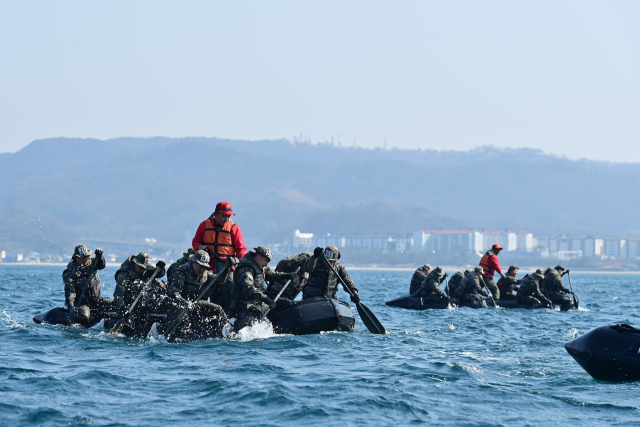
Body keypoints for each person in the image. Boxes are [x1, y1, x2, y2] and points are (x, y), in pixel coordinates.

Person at [191, 201, 247, 315]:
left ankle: (228, 318)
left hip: (227, 270)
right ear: (216, 213)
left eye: (229, 216)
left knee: (229, 296)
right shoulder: (204, 225)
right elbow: (195, 242)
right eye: (224, 216)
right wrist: (200, 246)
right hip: (208, 270)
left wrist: (246, 264)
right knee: (206, 296)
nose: (226, 218)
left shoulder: (234, 228)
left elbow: (241, 249)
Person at [166, 250, 227, 338]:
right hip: (180, 306)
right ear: (193, 262)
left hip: (196, 305)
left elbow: (220, 280)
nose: (202, 269)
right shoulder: (181, 272)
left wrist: (226, 268)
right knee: (182, 322)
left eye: (205, 267)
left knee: (218, 309)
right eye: (200, 266)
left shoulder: (206, 274)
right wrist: (186, 303)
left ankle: (223, 334)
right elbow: (174, 294)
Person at [230, 246, 293, 331]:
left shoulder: (260, 266)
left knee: (283, 303)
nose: (267, 263)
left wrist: (286, 276)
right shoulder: (245, 269)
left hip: (257, 304)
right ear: (258, 256)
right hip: (243, 306)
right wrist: (266, 299)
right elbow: (249, 289)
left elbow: (272, 275)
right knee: (263, 322)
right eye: (266, 260)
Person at [112, 252, 167, 336]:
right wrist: (122, 308)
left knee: (160, 285)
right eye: (141, 267)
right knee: (128, 325)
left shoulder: (146, 271)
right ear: (135, 263)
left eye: (145, 268)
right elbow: (118, 295)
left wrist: (161, 268)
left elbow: (159, 273)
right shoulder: (125, 274)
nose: (143, 270)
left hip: (144, 303)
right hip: (129, 306)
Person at [63, 244, 111, 325]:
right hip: (82, 303)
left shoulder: (93, 263)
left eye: (87, 256)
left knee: (116, 306)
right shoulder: (70, 273)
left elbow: (102, 265)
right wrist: (71, 307)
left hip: (96, 300)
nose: (86, 259)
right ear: (76, 258)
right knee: (84, 316)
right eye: (83, 257)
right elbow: (70, 292)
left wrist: (100, 256)